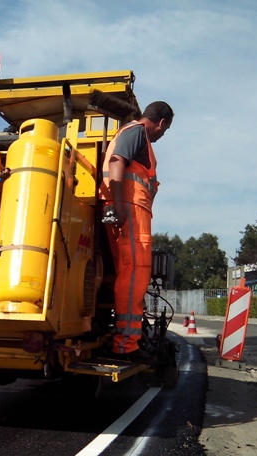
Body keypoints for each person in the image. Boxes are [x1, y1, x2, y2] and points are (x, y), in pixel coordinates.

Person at [98, 101, 173, 359]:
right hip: (131, 210)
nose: (162, 135)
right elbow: (118, 162)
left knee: (129, 277)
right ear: (161, 123)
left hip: (129, 209)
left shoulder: (135, 136)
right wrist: (118, 206)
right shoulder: (136, 132)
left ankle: (126, 341)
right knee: (135, 276)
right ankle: (125, 346)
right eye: (165, 130)